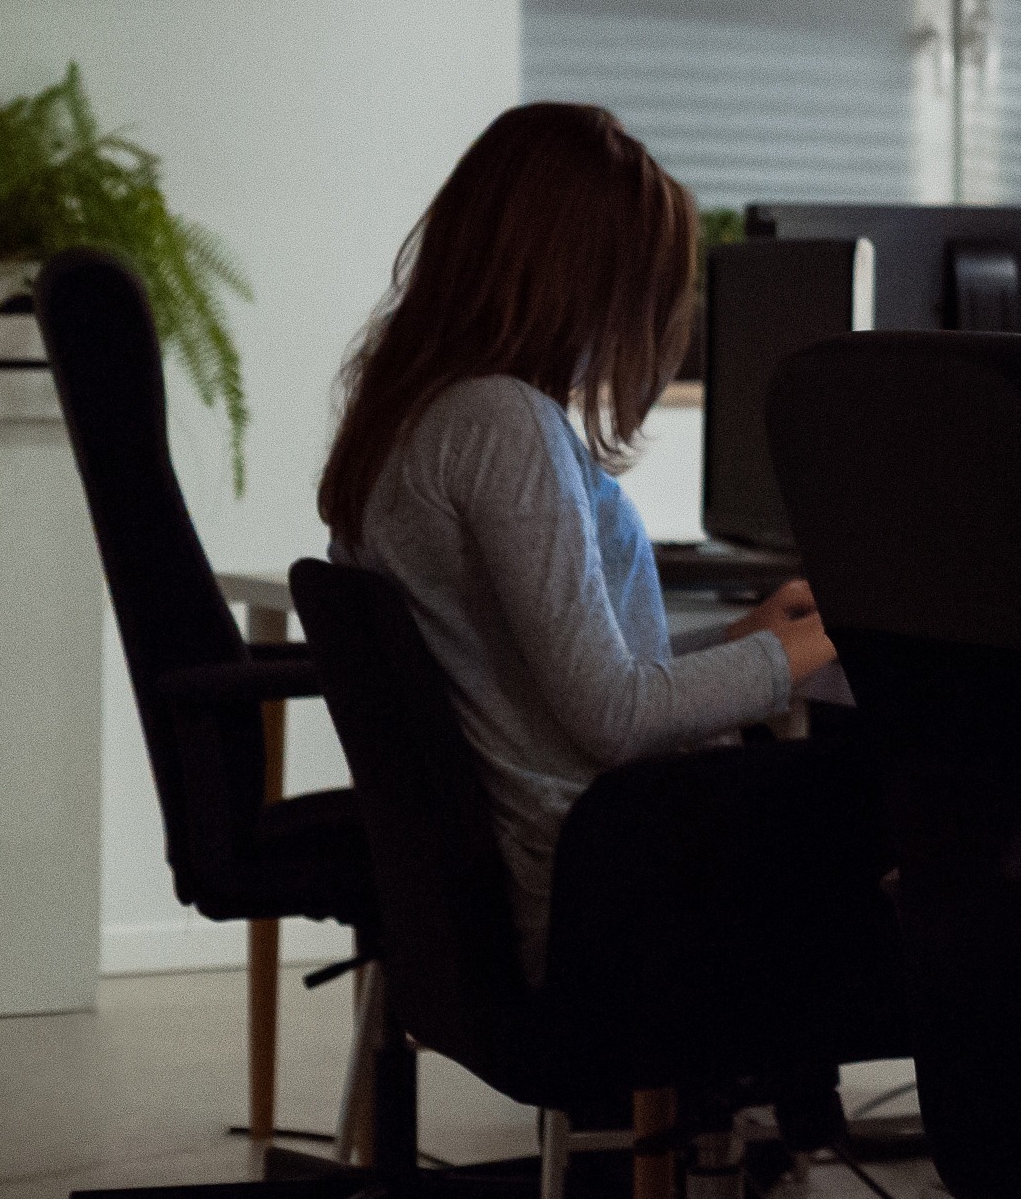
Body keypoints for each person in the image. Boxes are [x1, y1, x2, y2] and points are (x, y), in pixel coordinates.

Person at [317, 103, 838, 977]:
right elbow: (613, 715)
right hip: (599, 878)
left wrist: (740, 643)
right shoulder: (501, 422)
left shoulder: (413, 414)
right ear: (575, 273)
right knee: (916, 803)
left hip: (565, 864)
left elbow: (554, 680)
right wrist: (814, 644)